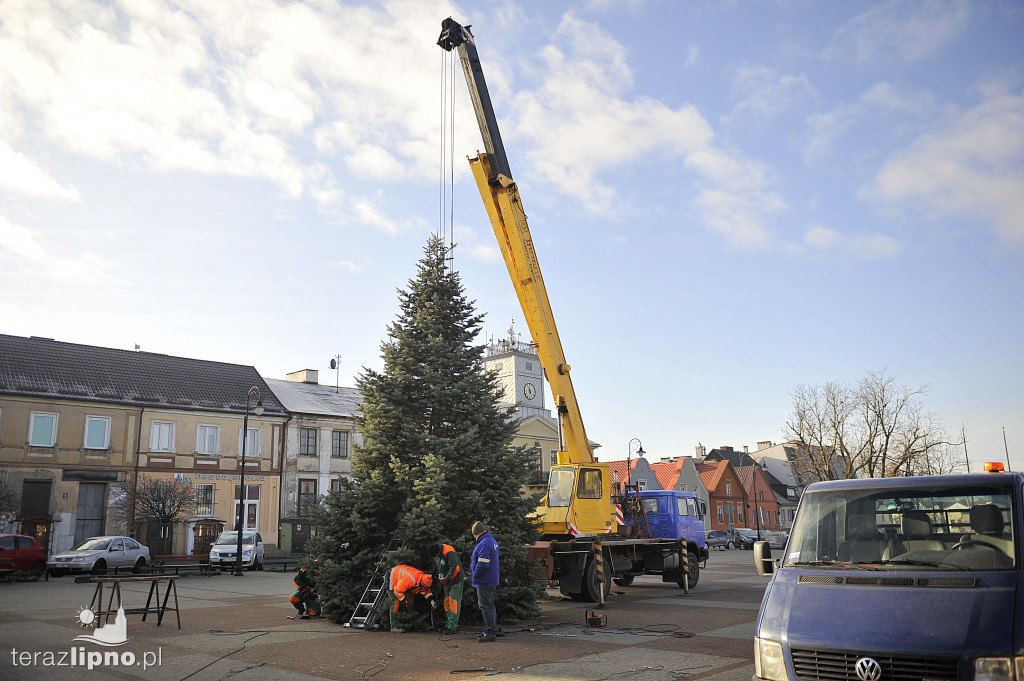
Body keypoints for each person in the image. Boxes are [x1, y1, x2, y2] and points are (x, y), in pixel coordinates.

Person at [469, 521, 499, 642]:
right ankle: (491, 629)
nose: (474, 537)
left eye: (474, 535)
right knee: (490, 605)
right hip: (491, 579)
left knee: (485, 606)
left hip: (485, 580)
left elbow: (482, 564)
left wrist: (474, 576)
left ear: (476, 533)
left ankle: (490, 632)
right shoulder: (491, 541)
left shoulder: (484, 543)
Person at [427, 542, 464, 635]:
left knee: (453, 602)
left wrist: (446, 579)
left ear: (438, 552)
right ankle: (449, 624)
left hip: (456, 581)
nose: (436, 558)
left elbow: (455, 568)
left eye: (436, 556)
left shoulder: (449, 551)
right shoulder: (438, 555)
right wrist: (443, 579)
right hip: (447, 582)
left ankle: (452, 626)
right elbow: (442, 567)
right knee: (446, 602)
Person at [387, 563, 436, 633]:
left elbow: (424, 590)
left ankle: (407, 623)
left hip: (401, 580)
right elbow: (397, 590)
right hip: (391, 577)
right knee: (395, 602)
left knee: (410, 600)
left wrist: (431, 600)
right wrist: (403, 600)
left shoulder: (422, 578)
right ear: (421, 583)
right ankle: (394, 626)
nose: (423, 588)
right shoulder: (409, 580)